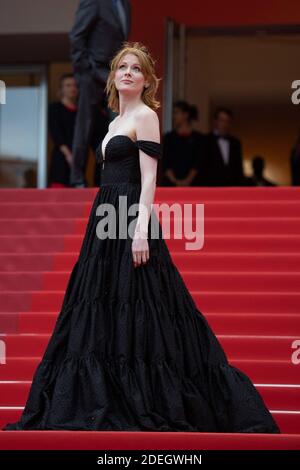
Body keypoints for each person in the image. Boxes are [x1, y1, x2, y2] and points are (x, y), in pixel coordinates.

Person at [3, 42, 280, 433]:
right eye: (122, 67)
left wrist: (139, 232)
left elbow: (149, 178)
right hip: (103, 218)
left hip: (131, 215)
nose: (128, 72)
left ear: (147, 79)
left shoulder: (146, 116)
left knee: (145, 304)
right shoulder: (113, 122)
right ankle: (106, 394)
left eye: (136, 68)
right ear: (114, 76)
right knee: (101, 303)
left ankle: (154, 395)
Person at [69, 0, 131, 187]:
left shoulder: (126, 5)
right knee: (85, 127)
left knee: (119, 126)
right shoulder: (94, 1)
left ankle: (115, 179)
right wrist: (84, 70)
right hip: (91, 72)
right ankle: (77, 179)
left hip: (112, 74)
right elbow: (76, 36)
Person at [162, 101, 204, 187]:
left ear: (186, 115)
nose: (174, 116)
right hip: (170, 186)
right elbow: (165, 162)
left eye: (176, 112)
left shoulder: (198, 138)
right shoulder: (169, 137)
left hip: (193, 186)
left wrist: (187, 181)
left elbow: (198, 162)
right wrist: (175, 181)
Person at [48, 74, 78, 188]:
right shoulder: (55, 108)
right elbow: (56, 134)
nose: (72, 88)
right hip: (61, 157)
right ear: (61, 89)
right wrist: (68, 155)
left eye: (75, 85)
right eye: (68, 85)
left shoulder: (81, 112)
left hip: (78, 158)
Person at [203, 107, 244, 186]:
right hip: (211, 187)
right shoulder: (205, 140)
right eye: (221, 120)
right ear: (215, 121)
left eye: (227, 121)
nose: (224, 124)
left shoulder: (235, 143)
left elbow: (238, 168)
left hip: (231, 187)